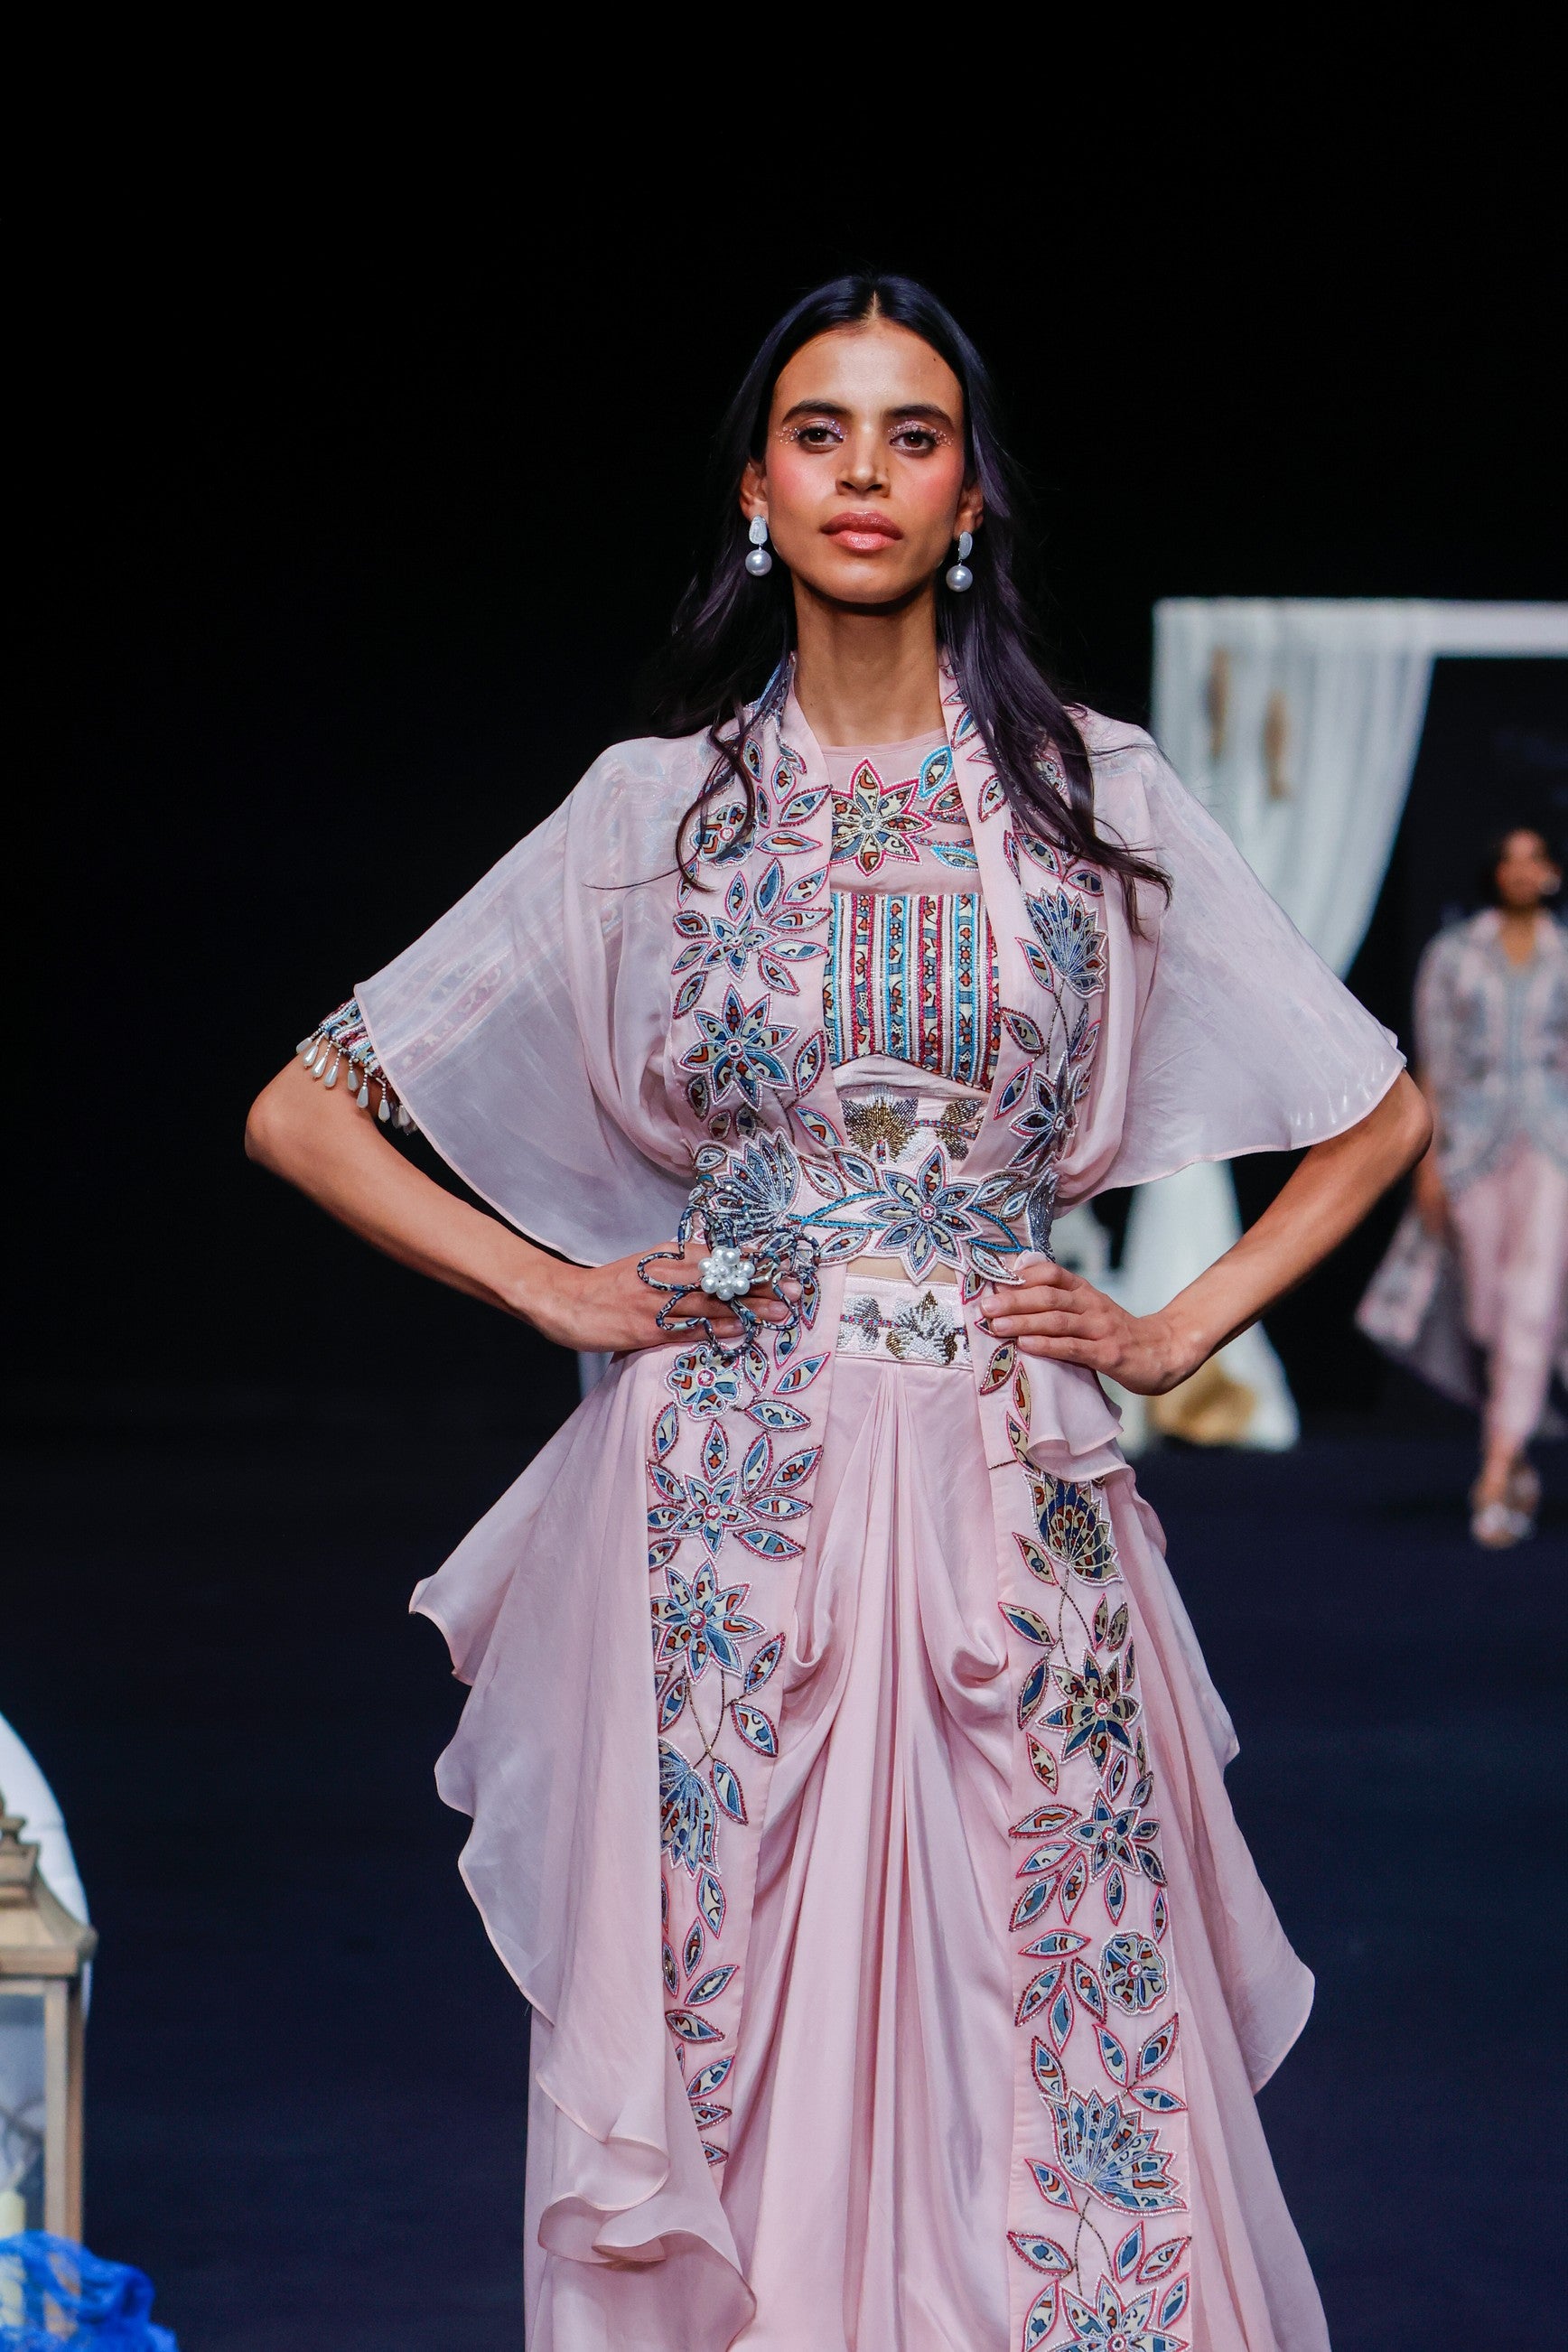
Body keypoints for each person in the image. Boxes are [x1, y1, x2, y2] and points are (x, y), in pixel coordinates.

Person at [247, 275, 1429, 2352]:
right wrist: (550, 1286)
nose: (863, 473)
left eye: (909, 433)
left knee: (1050, 2022)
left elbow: (1377, 1105)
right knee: (730, 2015)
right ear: (755, 489)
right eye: (821, 430)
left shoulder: (1094, 806)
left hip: (1007, 1502)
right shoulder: (655, 813)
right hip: (719, 1516)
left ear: (970, 494)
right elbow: (303, 1108)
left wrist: (1180, 1331)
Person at [1359, 826, 1567, 1545]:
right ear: (1493, 872)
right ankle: (1513, 1456)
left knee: (1531, 1302)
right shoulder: (1453, 955)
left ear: (1550, 872)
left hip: (1552, 1148)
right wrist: (1426, 1162)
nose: (1521, 871)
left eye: (1533, 859)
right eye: (1508, 859)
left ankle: (1497, 1466)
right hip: (1472, 1147)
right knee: (1486, 1313)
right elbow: (1432, 1067)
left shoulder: (1564, 954)